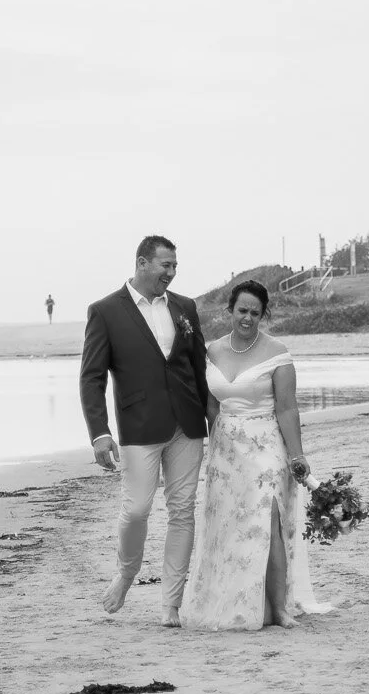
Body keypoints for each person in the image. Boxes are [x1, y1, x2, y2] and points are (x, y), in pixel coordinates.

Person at [181, 280, 329, 631]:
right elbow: (212, 403)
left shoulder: (277, 353)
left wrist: (297, 457)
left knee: (269, 521)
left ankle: (279, 608)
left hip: (266, 446)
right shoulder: (213, 350)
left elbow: (288, 408)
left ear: (264, 315)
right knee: (230, 525)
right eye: (242, 311)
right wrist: (215, 442)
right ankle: (235, 598)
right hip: (226, 450)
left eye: (255, 313)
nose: (247, 318)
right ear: (230, 311)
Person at [79, 236, 209, 626]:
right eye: (164, 265)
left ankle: (171, 603)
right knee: (136, 509)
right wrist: (100, 433)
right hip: (138, 427)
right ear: (141, 263)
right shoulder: (105, 311)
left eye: (174, 266)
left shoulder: (185, 307)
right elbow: (91, 377)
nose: (171, 273)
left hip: (187, 424)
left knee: (183, 511)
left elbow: (199, 368)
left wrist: (213, 420)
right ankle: (126, 572)